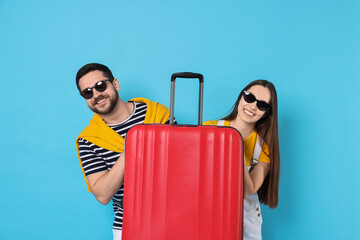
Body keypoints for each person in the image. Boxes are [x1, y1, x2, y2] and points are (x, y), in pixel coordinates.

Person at [75, 63, 172, 240]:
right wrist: (130, 150)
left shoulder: (158, 115)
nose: (96, 94)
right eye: (88, 92)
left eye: (100, 85)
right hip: (129, 226)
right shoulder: (89, 140)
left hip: (174, 218)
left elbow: (181, 164)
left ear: (116, 84)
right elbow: (103, 195)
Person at [203, 79, 280, 240]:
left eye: (262, 105)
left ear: (267, 112)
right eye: (250, 97)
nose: (252, 106)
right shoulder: (209, 128)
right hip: (207, 209)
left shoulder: (262, 148)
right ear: (240, 97)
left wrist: (236, 146)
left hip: (245, 219)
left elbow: (247, 190)